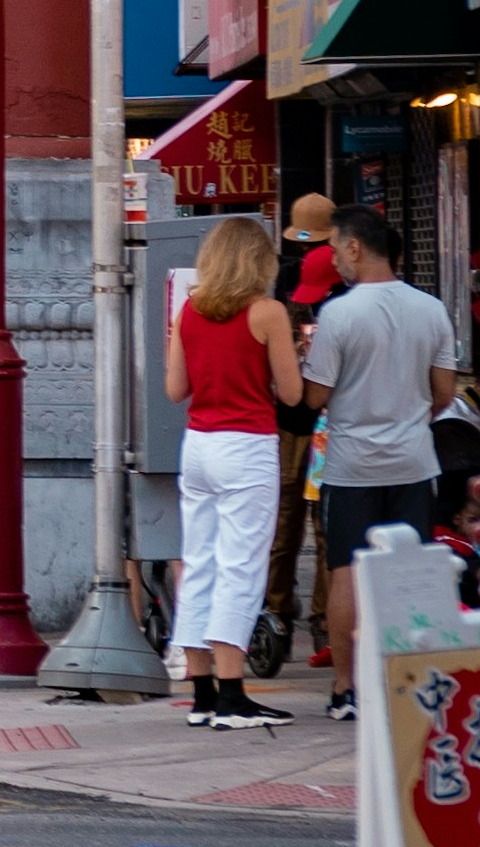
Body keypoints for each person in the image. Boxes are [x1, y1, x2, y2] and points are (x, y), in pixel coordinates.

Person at [303, 203, 463, 722]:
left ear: (354, 247)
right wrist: (409, 414)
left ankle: (345, 689)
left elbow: (314, 397)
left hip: (351, 465)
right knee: (410, 572)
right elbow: (444, 393)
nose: (333, 260)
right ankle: (413, 684)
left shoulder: (338, 314)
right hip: (414, 462)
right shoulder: (431, 308)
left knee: (345, 571)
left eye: (333, 249)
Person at [164, 215, 303, 729]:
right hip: (246, 445)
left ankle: (201, 692)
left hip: (197, 444)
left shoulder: (190, 310)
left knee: (199, 561)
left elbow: (175, 390)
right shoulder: (267, 312)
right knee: (242, 566)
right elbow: (291, 394)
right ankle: (232, 694)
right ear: (257, 260)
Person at [258, 193, 343, 674]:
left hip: (317, 421)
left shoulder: (346, 290)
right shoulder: (287, 280)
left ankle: (320, 623)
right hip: (297, 418)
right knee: (289, 521)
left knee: (317, 524)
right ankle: (280, 616)